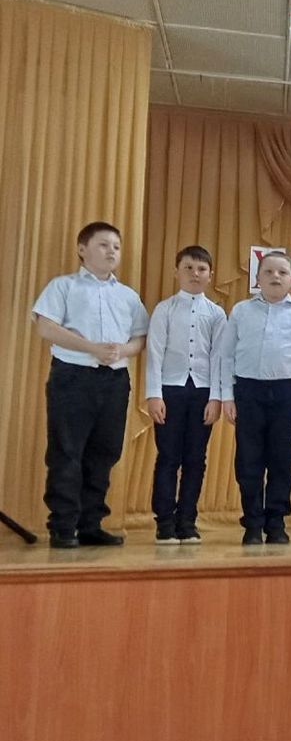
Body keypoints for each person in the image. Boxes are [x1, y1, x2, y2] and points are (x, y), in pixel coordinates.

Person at [32, 221, 149, 548]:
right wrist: (91, 348)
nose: (111, 251)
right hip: (72, 377)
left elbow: (140, 338)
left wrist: (121, 351)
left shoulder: (128, 295)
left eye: (116, 246)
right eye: (103, 244)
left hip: (114, 381)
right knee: (67, 451)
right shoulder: (63, 286)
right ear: (82, 249)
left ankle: (90, 524)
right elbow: (45, 327)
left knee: (105, 452)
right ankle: (62, 526)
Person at [219, 251, 291, 545]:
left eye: (283, 272)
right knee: (249, 460)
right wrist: (227, 396)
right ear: (257, 278)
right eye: (268, 271)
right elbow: (226, 355)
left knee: (281, 460)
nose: (275, 277)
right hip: (248, 391)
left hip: (287, 392)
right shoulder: (241, 311)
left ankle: (276, 523)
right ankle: (252, 523)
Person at [144, 245, 226, 545]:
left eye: (201, 269)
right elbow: (154, 353)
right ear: (176, 272)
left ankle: (187, 521)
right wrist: (154, 394)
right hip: (170, 390)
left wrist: (216, 398)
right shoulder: (164, 309)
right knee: (168, 456)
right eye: (188, 268)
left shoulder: (217, 314)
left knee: (195, 458)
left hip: (203, 392)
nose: (195, 273)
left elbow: (219, 358)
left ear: (210, 275)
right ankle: (164, 522)